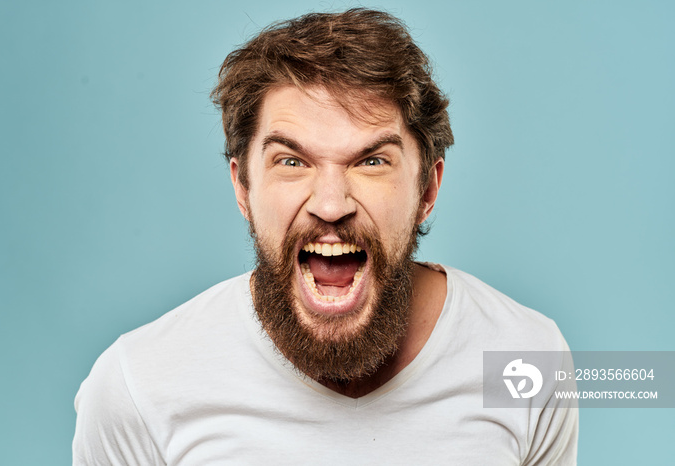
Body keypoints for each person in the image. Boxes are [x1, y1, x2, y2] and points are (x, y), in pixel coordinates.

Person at [73, 8, 578, 465]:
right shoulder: (137, 384)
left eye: (372, 161)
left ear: (428, 187)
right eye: (291, 162)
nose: (331, 205)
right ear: (243, 186)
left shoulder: (533, 357)